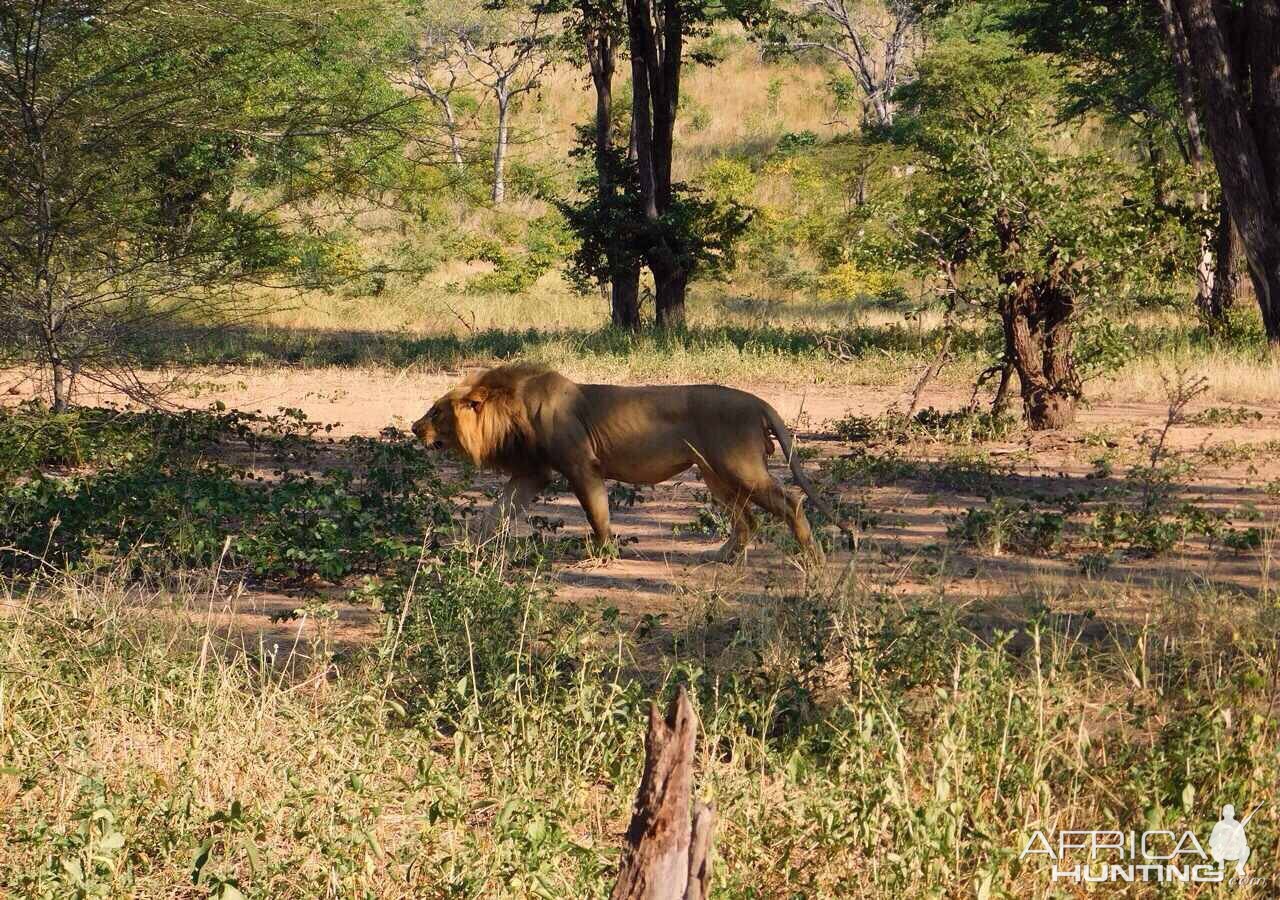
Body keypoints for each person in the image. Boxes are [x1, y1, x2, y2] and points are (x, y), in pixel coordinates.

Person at [1209, 804, 1250, 878]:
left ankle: (1239, 867)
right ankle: (1218, 869)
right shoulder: (1219, 825)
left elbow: (1244, 842)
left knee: (1246, 850)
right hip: (1221, 852)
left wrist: (1236, 839)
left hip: (1233, 852)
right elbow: (1211, 842)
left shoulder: (1237, 825)